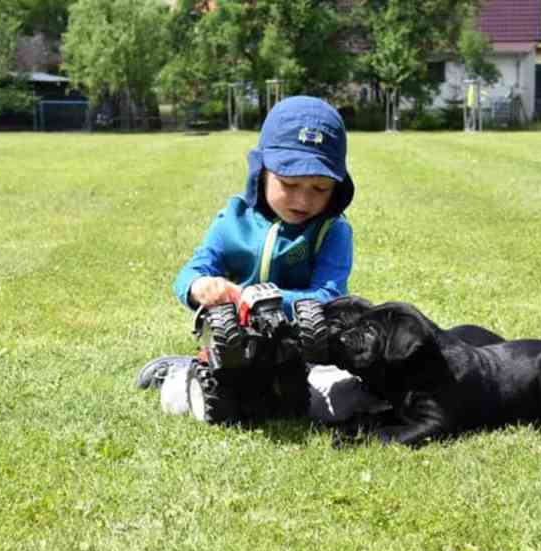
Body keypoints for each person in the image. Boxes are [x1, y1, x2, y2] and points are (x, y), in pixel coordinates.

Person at [137, 96, 379, 423]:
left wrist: (266, 300)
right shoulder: (232, 221)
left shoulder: (332, 232)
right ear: (261, 171)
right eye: (290, 183)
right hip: (236, 348)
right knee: (188, 401)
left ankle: (281, 396)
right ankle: (178, 371)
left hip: (303, 355)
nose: (304, 199)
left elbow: (330, 297)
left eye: (320, 188)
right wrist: (199, 286)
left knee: (336, 402)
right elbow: (191, 272)